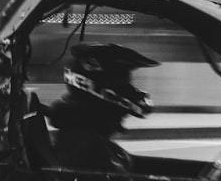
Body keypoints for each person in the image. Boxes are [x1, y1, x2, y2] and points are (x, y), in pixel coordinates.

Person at [46, 43, 159, 171]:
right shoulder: (90, 152)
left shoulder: (82, 140)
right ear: (99, 89)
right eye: (123, 82)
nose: (131, 90)